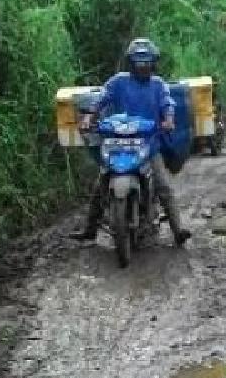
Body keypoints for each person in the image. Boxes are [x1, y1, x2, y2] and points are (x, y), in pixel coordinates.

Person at [69, 38, 191, 246]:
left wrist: (169, 119)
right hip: (119, 143)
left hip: (149, 144)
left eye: (147, 62)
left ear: (153, 63)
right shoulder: (118, 82)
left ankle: (178, 229)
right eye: (138, 62)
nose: (143, 66)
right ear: (130, 63)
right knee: (100, 184)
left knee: (163, 186)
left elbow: (167, 104)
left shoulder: (159, 85)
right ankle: (89, 230)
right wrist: (90, 115)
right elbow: (102, 98)